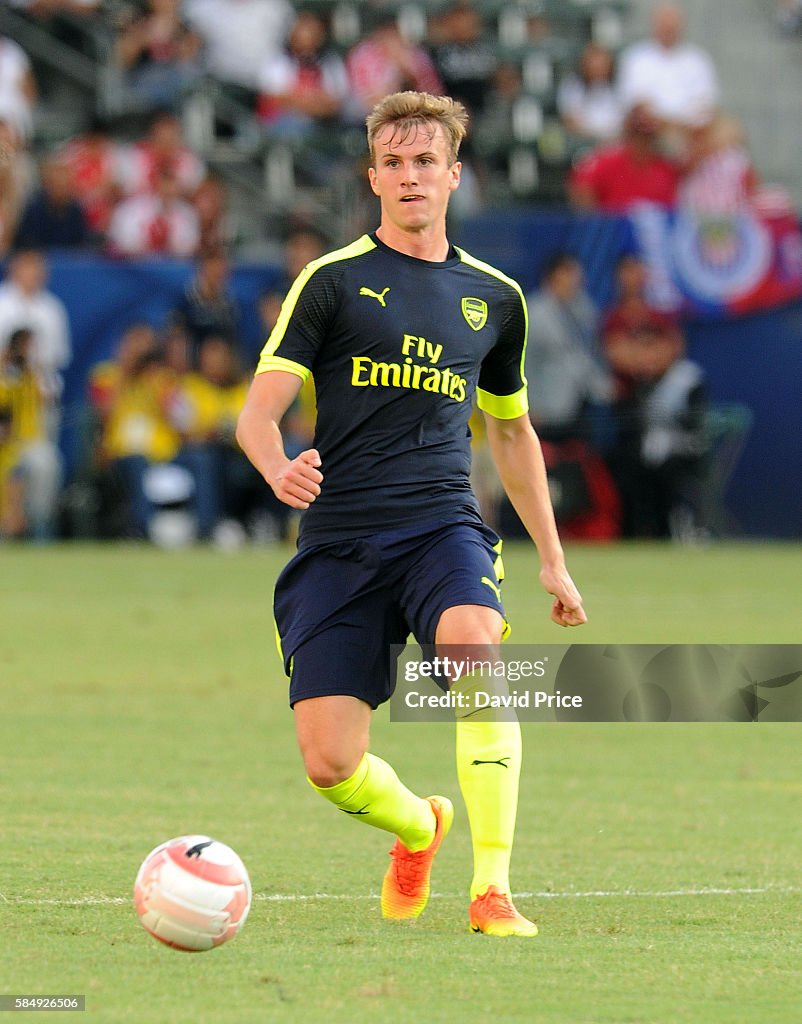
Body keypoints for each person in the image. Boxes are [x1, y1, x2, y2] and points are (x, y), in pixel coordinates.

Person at [236, 91, 586, 936]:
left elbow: (511, 432)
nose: (410, 177)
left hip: (441, 525)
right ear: (373, 177)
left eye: (425, 162)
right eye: (393, 163)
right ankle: (419, 828)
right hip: (340, 539)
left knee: (472, 645)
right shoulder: (331, 282)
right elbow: (257, 412)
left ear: (454, 175)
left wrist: (551, 556)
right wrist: (278, 464)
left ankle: (492, 888)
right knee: (329, 764)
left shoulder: (495, 298)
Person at [616, 4, 719, 132]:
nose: (668, 29)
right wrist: (666, 124)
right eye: (664, 24)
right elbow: (636, 102)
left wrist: (680, 125)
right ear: (654, 24)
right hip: (650, 131)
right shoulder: (636, 58)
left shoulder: (698, 60)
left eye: (672, 24)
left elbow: (705, 103)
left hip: (691, 133)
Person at [568, 102, 680, 213]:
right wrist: (596, 221)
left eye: (647, 136)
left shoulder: (666, 169)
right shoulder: (606, 160)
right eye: (637, 134)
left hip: (650, 228)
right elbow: (581, 188)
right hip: (613, 227)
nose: (641, 142)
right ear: (629, 133)